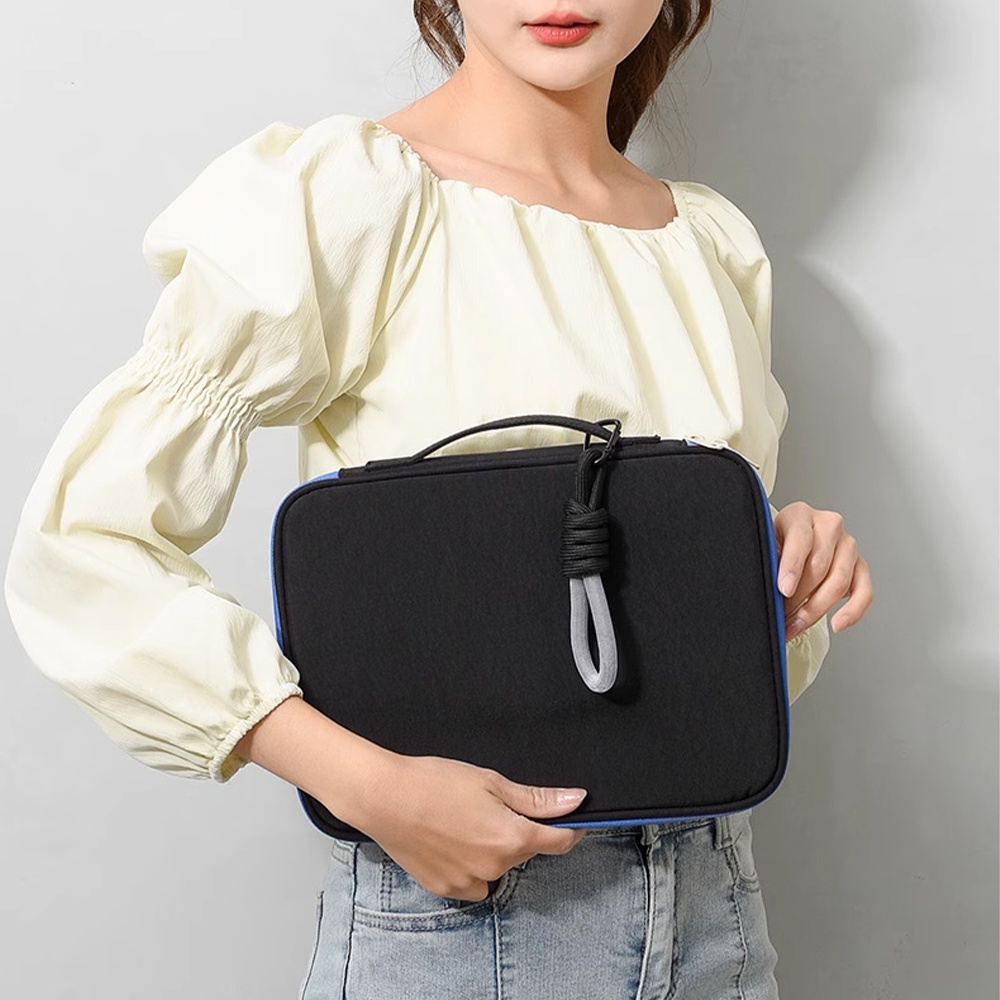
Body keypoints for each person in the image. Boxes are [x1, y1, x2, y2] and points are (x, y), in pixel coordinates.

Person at [4, 1, 874, 997]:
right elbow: (83, 546)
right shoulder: (352, 198)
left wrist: (776, 568)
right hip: (461, 925)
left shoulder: (707, 241)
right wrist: (364, 785)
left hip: (718, 913)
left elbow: (664, 641)